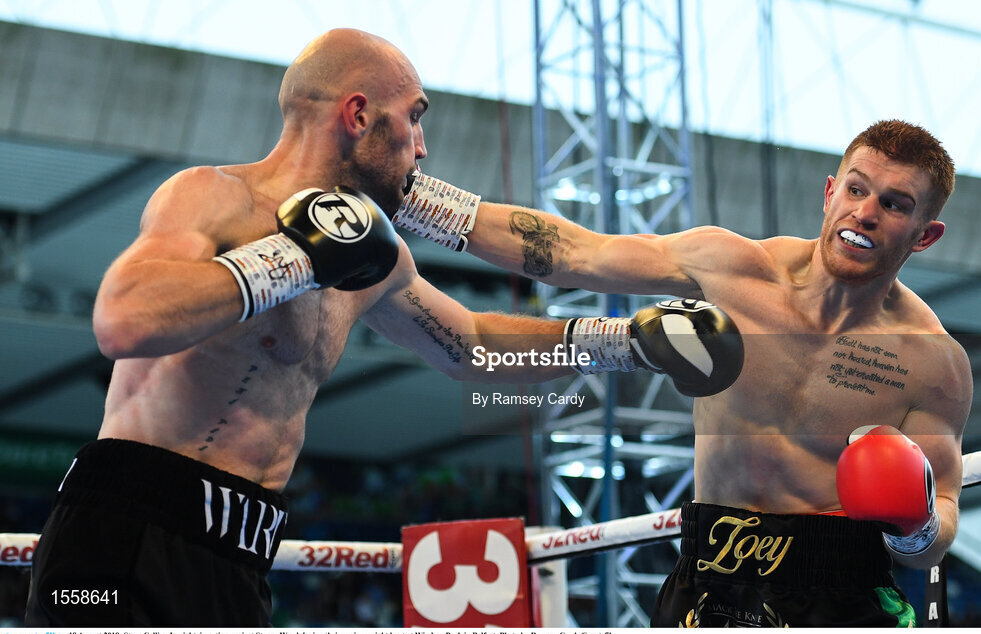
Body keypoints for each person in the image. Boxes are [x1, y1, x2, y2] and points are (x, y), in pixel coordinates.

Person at [22, 29, 730, 627]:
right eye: (413, 117)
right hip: (124, 533)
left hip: (238, 555)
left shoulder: (374, 255)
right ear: (358, 115)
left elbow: (472, 346)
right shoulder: (215, 197)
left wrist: (626, 343)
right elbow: (124, 319)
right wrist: (294, 259)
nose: (422, 147)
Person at [393, 119, 974, 627]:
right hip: (708, 578)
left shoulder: (932, 362)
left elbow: (937, 527)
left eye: (895, 205)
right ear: (830, 192)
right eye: (856, 189)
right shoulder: (734, 268)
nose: (865, 213)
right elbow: (576, 252)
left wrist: (916, 521)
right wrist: (408, 198)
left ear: (925, 235)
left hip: (840, 592)